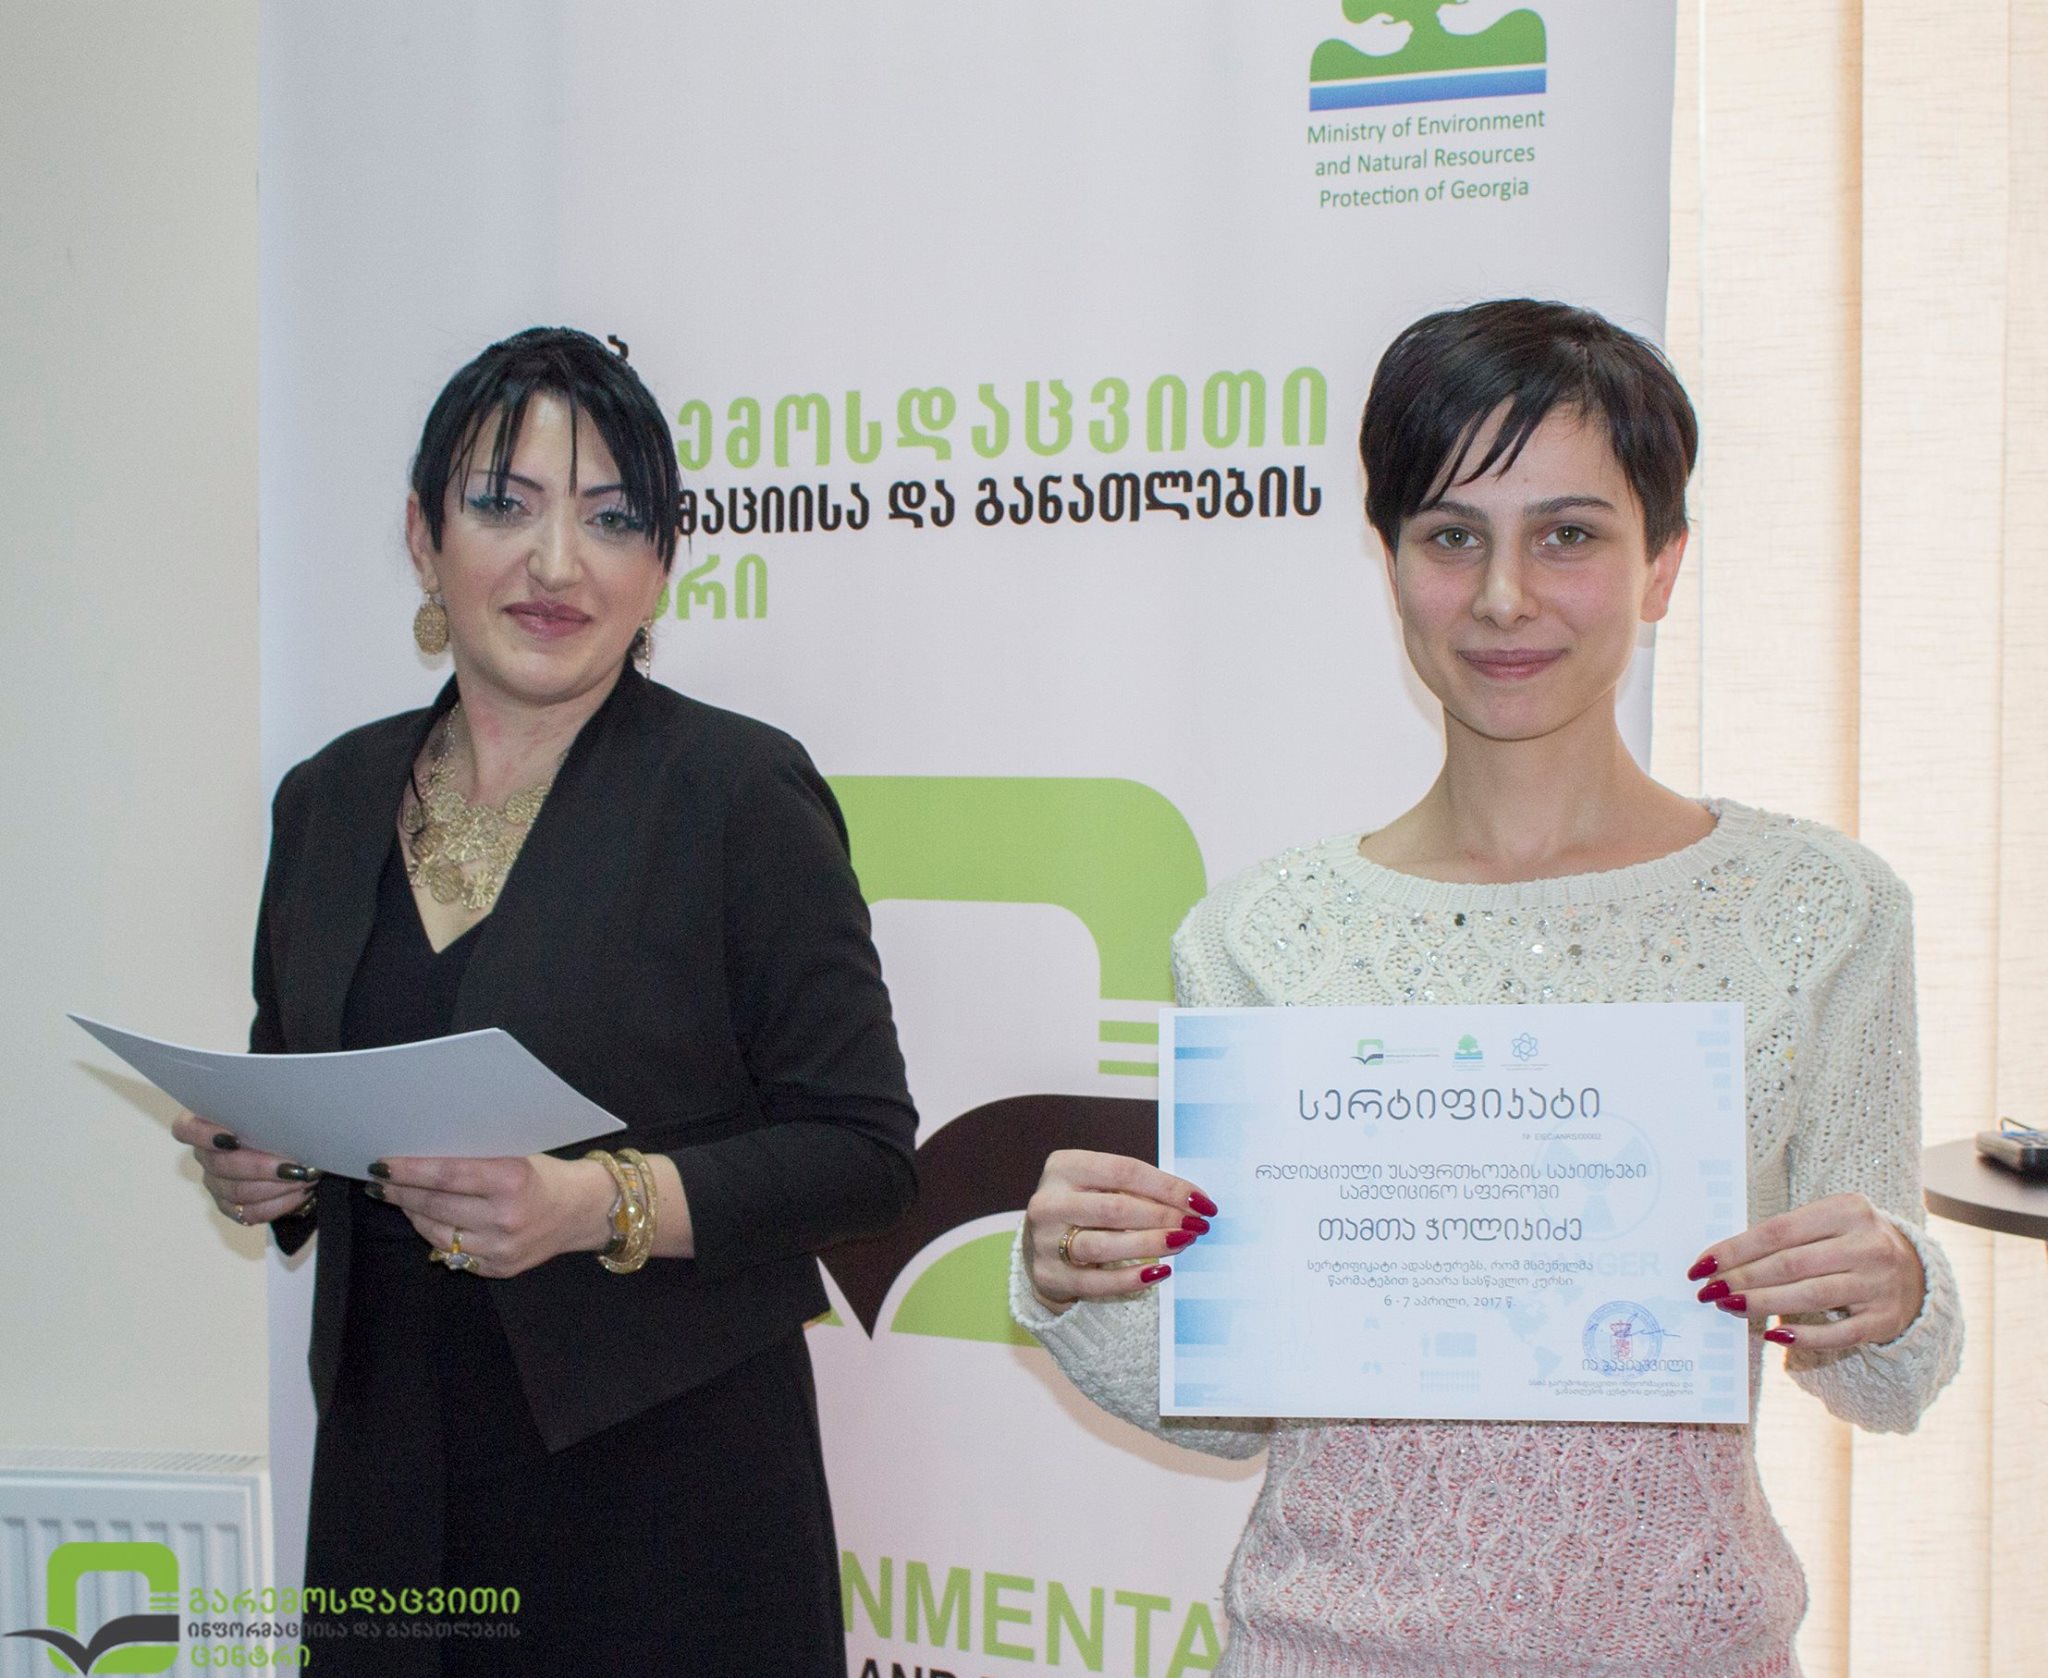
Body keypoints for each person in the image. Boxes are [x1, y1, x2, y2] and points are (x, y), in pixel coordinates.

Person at [1012, 300, 1962, 1676]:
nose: (1505, 595)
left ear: (1663, 564)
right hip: (1322, 1651)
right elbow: (1225, 1407)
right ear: (1392, 560)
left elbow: (1885, 1378)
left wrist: (1894, 1287)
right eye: (1452, 536)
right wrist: (1081, 1283)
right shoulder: (1264, 935)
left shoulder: (1821, 911)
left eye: (1568, 534)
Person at [172, 326, 917, 1676]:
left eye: (612, 517)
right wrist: (262, 1166)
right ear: (423, 536)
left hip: (666, 1500)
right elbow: (293, 1070)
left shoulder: (738, 796)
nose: (556, 562)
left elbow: (862, 1153)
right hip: (388, 1476)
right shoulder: (327, 801)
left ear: (663, 562)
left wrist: (598, 1204)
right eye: (503, 504)